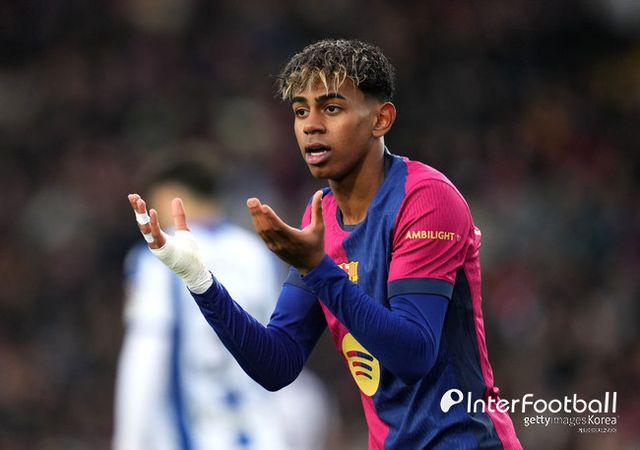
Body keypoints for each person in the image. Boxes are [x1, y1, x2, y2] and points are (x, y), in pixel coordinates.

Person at [128, 39, 522, 449]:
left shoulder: (425, 199)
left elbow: (414, 355)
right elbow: (277, 364)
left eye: (331, 108)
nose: (311, 125)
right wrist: (200, 281)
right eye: (301, 111)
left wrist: (318, 268)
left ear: (381, 119)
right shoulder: (322, 218)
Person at [115, 157, 333, 450]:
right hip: (266, 439)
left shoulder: (158, 260)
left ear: (171, 198)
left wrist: (129, 441)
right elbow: (285, 356)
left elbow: (147, 353)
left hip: (197, 438)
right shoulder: (258, 253)